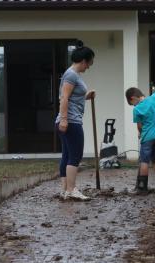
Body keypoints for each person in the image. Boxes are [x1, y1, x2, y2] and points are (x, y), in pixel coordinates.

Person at [55, 40, 95, 200]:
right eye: (90, 62)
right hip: (71, 121)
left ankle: (65, 190)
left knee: (67, 155)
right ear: (84, 60)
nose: (90, 66)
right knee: (75, 156)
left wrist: (86, 96)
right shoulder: (71, 74)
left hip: (68, 119)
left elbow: (71, 97)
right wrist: (64, 119)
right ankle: (71, 190)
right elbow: (64, 97)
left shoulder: (71, 74)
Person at [125, 87, 155, 194]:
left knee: (144, 162)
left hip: (147, 137)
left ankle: (142, 188)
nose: (134, 105)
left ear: (133, 98)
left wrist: (140, 133)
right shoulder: (153, 98)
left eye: (132, 103)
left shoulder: (137, 109)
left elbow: (139, 126)